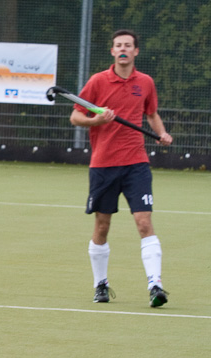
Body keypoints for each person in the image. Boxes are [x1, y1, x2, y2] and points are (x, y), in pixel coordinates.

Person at [69, 28, 173, 307]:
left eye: (128, 45)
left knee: (144, 222)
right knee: (102, 226)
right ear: (113, 51)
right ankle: (100, 284)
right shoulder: (98, 81)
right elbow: (76, 116)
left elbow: (151, 113)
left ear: (136, 51)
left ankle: (155, 285)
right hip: (103, 165)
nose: (123, 49)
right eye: (119, 45)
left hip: (136, 163)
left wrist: (161, 133)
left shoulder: (145, 82)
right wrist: (97, 121)